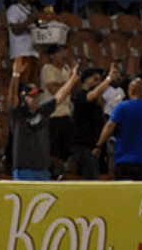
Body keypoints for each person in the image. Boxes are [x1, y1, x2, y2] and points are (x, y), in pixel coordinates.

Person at [9, 55, 80, 180]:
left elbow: (59, 96)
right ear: (24, 97)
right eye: (32, 96)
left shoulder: (43, 111)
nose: (36, 99)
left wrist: (72, 80)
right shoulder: (18, 113)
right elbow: (12, 97)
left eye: (37, 96)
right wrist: (15, 75)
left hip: (42, 169)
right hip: (23, 169)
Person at [71, 62, 120, 179]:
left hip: (96, 145)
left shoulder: (98, 100)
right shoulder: (81, 95)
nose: (98, 82)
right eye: (95, 79)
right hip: (85, 146)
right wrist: (108, 79)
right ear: (85, 81)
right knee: (89, 179)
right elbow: (91, 95)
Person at [39, 45, 74, 176]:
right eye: (60, 53)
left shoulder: (66, 69)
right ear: (52, 56)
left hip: (66, 115)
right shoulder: (47, 68)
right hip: (52, 117)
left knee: (66, 153)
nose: (63, 55)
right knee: (53, 153)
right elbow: (54, 90)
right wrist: (69, 82)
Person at [5, 0, 44, 84]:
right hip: (21, 52)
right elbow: (15, 30)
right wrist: (30, 19)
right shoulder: (14, 9)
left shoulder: (31, 9)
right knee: (22, 85)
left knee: (33, 86)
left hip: (33, 51)